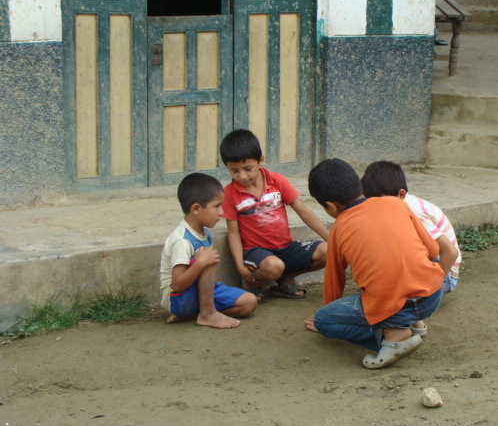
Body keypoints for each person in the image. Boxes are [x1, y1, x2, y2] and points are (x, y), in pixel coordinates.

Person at [305, 159, 446, 369]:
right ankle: (413, 324)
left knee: (324, 321)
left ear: (330, 207)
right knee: (413, 265)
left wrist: (326, 314)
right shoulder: (396, 203)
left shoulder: (339, 228)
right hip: (432, 296)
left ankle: (393, 336)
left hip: (393, 307)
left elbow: (335, 280)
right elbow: (434, 251)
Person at [219, 129, 329, 301]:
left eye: (248, 168)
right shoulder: (230, 193)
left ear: (260, 160)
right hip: (256, 252)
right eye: (234, 171)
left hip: (286, 248)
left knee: (329, 251)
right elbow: (233, 232)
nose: (242, 176)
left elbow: (303, 211)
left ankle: (285, 279)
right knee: (274, 266)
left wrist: (332, 238)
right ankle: (252, 283)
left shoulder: (277, 181)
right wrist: (240, 265)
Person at [159, 173, 258, 329]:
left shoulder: (205, 233)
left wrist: (203, 262)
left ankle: (197, 314)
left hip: (199, 292)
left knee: (249, 303)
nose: (221, 212)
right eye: (216, 206)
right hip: (178, 299)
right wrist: (201, 263)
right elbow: (176, 286)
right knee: (207, 258)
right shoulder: (182, 240)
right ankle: (207, 315)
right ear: (196, 209)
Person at [360, 160, 461, 295]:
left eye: (380, 203)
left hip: (446, 276)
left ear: (401, 194)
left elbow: (451, 252)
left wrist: (430, 288)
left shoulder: (415, 213)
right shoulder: (399, 204)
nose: (376, 208)